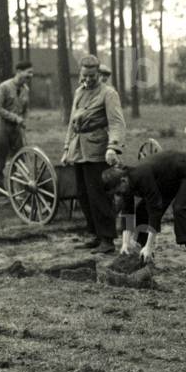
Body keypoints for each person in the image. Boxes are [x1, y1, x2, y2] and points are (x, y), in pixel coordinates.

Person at [102, 150, 186, 274]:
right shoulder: (125, 182)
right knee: (141, 211)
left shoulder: (142, 176)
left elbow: (155, 211)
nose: (119, 195)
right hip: (169, 179)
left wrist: (150, 246)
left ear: (123, 181)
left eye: (118, 192)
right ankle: (145, 259)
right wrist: (125, 244)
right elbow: (128, 213)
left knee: (180, 209)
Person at [62, 56, 126, 254]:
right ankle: (95, 235)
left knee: (99, 196)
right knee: (83, 195)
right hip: (79, 150)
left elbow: (117, 122)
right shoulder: (79, 92)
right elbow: (72, 122)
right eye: (85, 75)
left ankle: (107, 239)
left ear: (99, 74)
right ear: (80, 74)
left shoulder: (109, 93)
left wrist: (112, 147)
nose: (88, 79)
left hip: (98, 151)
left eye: (92, 76)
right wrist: (66, 149)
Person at [0, 60, 34, 197]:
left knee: (19, 161)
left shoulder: (26, 90)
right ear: (19, 72)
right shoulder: (4, 87)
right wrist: (15, 118)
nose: (30, 75)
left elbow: (26, 109)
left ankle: (17, 191)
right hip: (2, 127)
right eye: (28, 72)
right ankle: (0, 193)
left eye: (31, 73)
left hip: (16, 130)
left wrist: (24, 119)